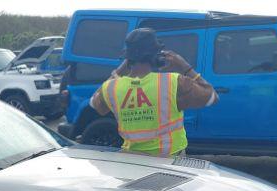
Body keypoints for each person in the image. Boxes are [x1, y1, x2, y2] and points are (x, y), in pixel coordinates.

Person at [90, 28, 218, 157]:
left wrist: (119, 70)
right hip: (169, 161)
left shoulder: (111, 87)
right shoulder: (173, 82)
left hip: (130, 159)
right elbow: (212, 97)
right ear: (156, 56)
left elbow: (95, 104)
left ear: (127, 58)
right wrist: (184, 66)